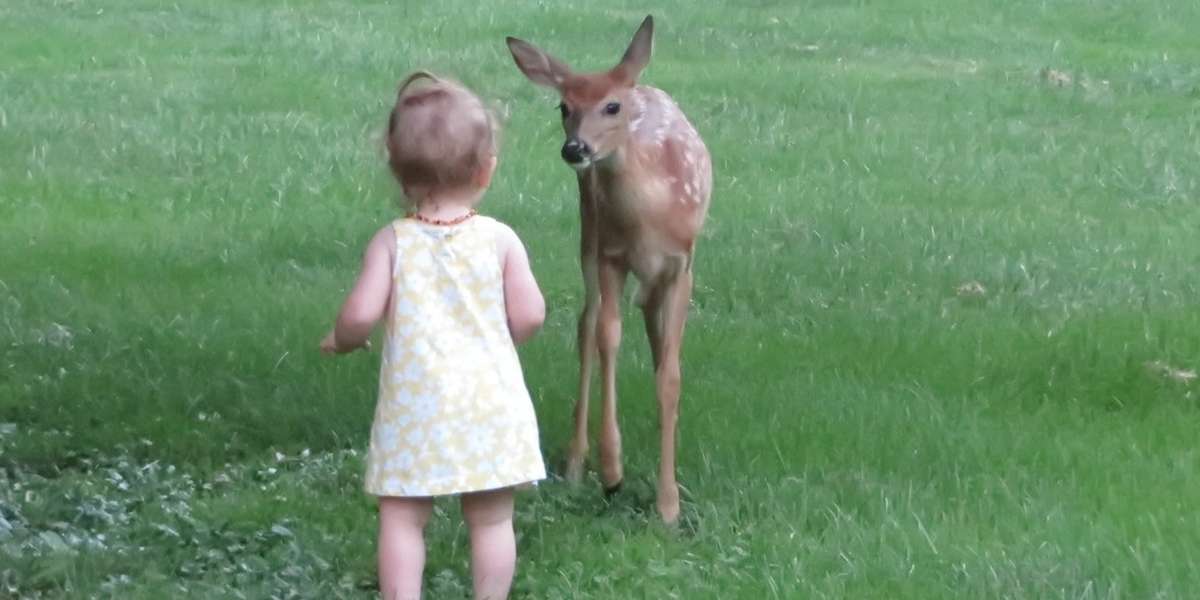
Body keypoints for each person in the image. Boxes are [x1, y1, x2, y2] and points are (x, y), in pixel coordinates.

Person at [320, 71, 547, 600]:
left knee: (402, 517)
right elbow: (532, 314)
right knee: (491, 521)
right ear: (486, 169)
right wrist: (505, 333)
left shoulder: (393, 243)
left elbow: (358, 315)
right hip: (490, 404)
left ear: (399, 173)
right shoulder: (500, 240)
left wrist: (343, 339)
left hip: (415, 410)